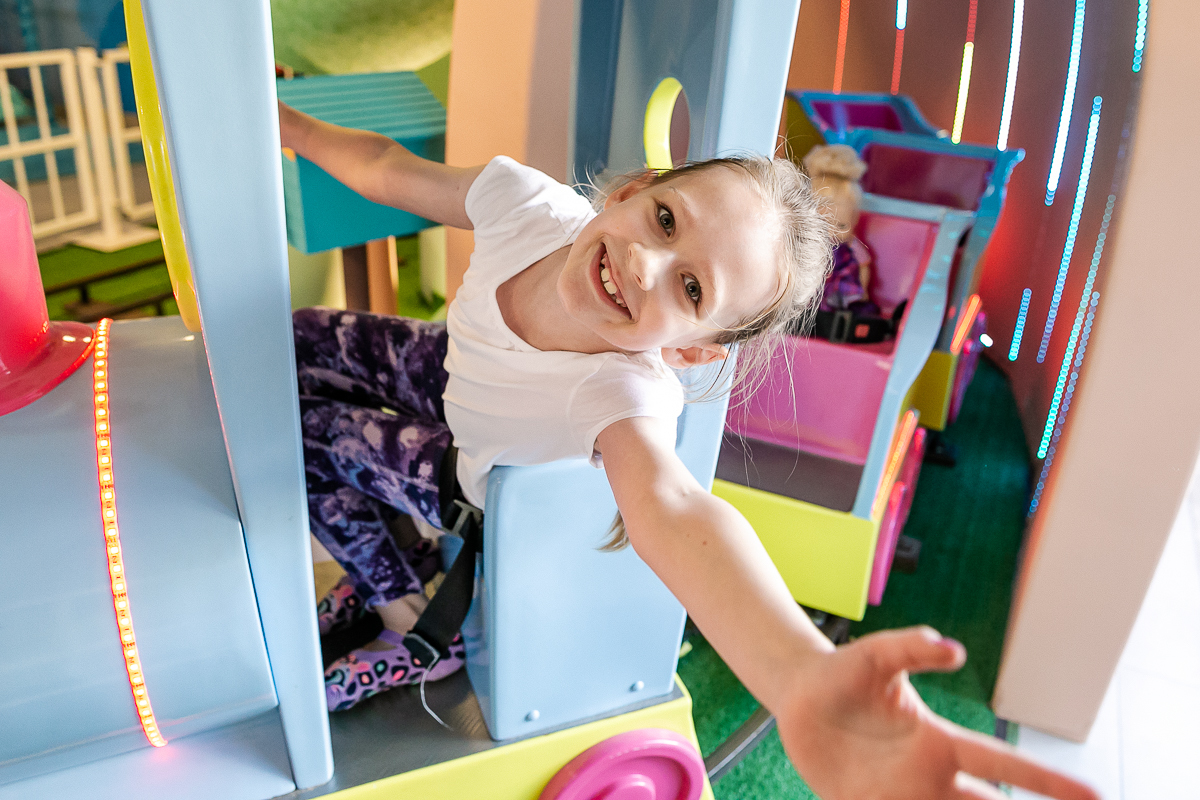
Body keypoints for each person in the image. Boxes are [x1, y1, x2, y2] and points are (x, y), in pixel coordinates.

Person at [279, 101, 1098, 800]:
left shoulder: (621, 393)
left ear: (696, 349)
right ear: (637, 190)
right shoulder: (525, 206)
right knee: (296, 344)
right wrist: (280, 122)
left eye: (691, 289)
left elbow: (674, 510)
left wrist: (798, 673)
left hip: (472, 469)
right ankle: (397, 566)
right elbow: (388, 168)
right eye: (666, 221)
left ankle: (404, 613)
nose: (644, 263)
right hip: (452, 368)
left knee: (310, 438)